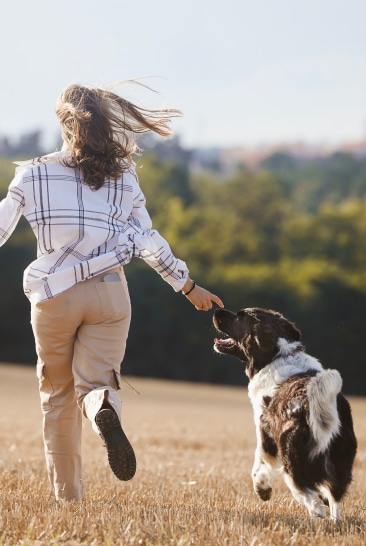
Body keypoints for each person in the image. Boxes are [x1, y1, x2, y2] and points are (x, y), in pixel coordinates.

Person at [0, 82, 224, 501]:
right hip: (110, 293)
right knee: (96, 382)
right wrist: (186, 284)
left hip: (55, 295)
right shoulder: (124, 176)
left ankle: (69, 497)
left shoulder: (32, 173)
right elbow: (148, 239)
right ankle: (102, 404)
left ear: (65, 125)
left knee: (57, 394)